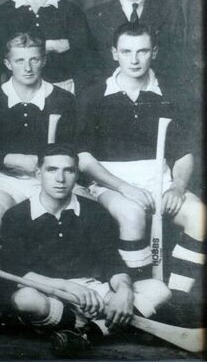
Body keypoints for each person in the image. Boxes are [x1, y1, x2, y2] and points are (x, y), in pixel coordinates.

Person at [77, 22, 203, 307]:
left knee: (200, 217)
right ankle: (141, 299)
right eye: (126, 51)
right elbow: (83, 158)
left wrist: (178, 188)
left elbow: (184, 154)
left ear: (154, 52)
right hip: (108, 184)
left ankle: (175, 303)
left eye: (142, 51)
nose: (134, 59)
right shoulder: (94, 95)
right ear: (114, 53)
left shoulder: (172, 94)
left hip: (160, 182)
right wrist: (124, 188)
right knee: (132, 214)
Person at [1, 144, 170, 356]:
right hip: (47, 291)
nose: (60, 179)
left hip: (93, 293)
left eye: (68, 170)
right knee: (24, 299)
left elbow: (111, 260)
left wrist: (124, 292)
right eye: (52, 170)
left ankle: (87, 334)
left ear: (76, 174)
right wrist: (66, 287)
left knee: (159, 289)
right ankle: (104, 327)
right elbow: (17, 272)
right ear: (38, 174)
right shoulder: (17, 215)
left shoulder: (94, 212)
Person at [0, 32, 77, 235]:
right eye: (20, 60)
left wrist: (46, 165)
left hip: (51, 178)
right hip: (5, 178)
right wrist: (16, 159)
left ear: (44, 61)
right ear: (8, 64)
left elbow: (73, 149)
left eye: (34, 59)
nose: (27, 67)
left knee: (59, 220)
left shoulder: (63, 99)